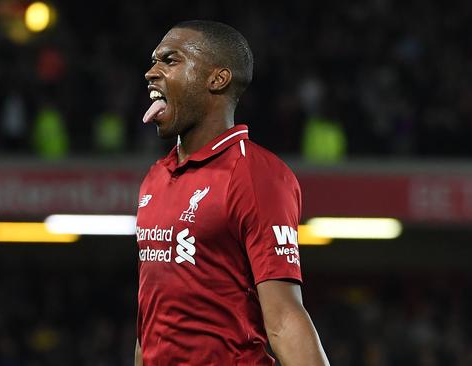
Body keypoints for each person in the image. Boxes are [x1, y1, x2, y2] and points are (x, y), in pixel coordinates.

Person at [135, 20, 330, 365]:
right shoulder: (155, 178)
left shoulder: (256, 176)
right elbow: (149, 327)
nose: (152, 72)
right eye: (154, 61)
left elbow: (285, 319)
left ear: (217, 79)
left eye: (170, 60)